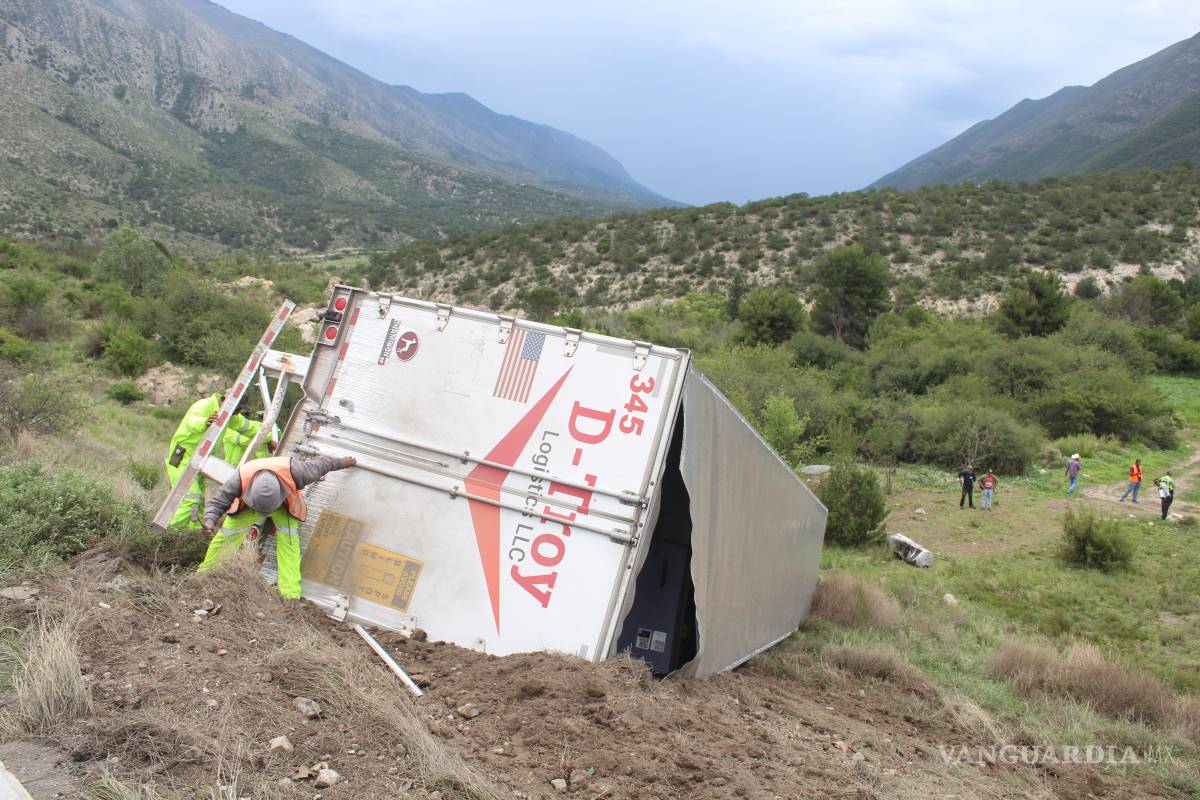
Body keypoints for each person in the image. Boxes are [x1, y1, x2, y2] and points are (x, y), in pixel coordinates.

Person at [198, 454, 357, 598]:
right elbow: (219, 501)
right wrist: (210, 520)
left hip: (284, 505)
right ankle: (203, 578)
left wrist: (342, 461)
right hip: (250, 507)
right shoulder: (240, 478)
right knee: (226, 535)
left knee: (289, 545)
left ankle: (290, 595)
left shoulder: (297, 471)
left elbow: (323, 464)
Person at [164, 392, 264, 529]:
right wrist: (205, 422)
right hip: (183, 457)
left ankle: (192, 532)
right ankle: (171, 533)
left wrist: (270, 434)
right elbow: (191, 421)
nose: (238, 413)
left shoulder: (228, 415)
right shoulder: (205, 405)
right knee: (190, 498)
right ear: (226, 401)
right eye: (237, 409)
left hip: (200, 459)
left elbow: (247, 426)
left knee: (198, 500)